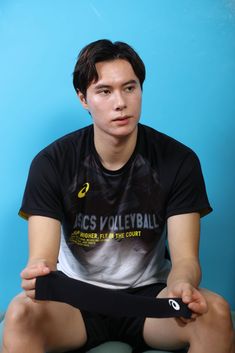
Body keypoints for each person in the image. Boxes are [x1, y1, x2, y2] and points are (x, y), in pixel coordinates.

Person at [1, 39, 234, 353]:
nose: (121, 102)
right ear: (83, 98)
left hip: (152, 301)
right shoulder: (52, 163)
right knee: (20, 313)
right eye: (104, 91)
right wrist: (38, 274)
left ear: (141, 89)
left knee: (216, 312)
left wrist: (182, 284)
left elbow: (186, 261)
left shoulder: (178, 160)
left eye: (130, 88)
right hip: (75, 301)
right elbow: (42, 259)